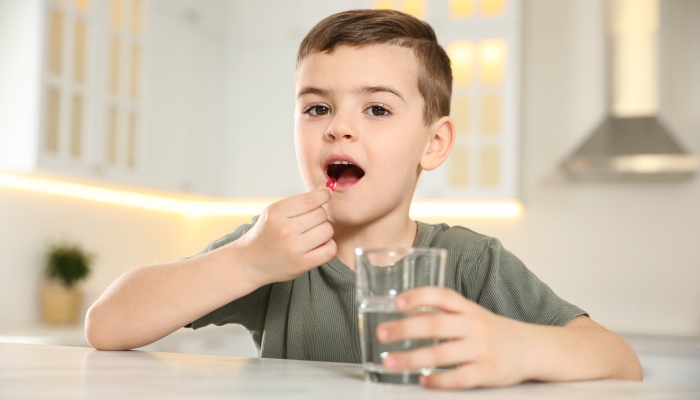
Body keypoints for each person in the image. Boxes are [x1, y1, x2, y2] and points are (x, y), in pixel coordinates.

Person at [85, 9, 642, 389]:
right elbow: (106, 327)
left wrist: (521, 347)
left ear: (434, 143)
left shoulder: (470, 262)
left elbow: (621, 362)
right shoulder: (272, 252)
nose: (338, 128)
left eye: (376, 109)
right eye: (316, 107)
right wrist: (246, 259)